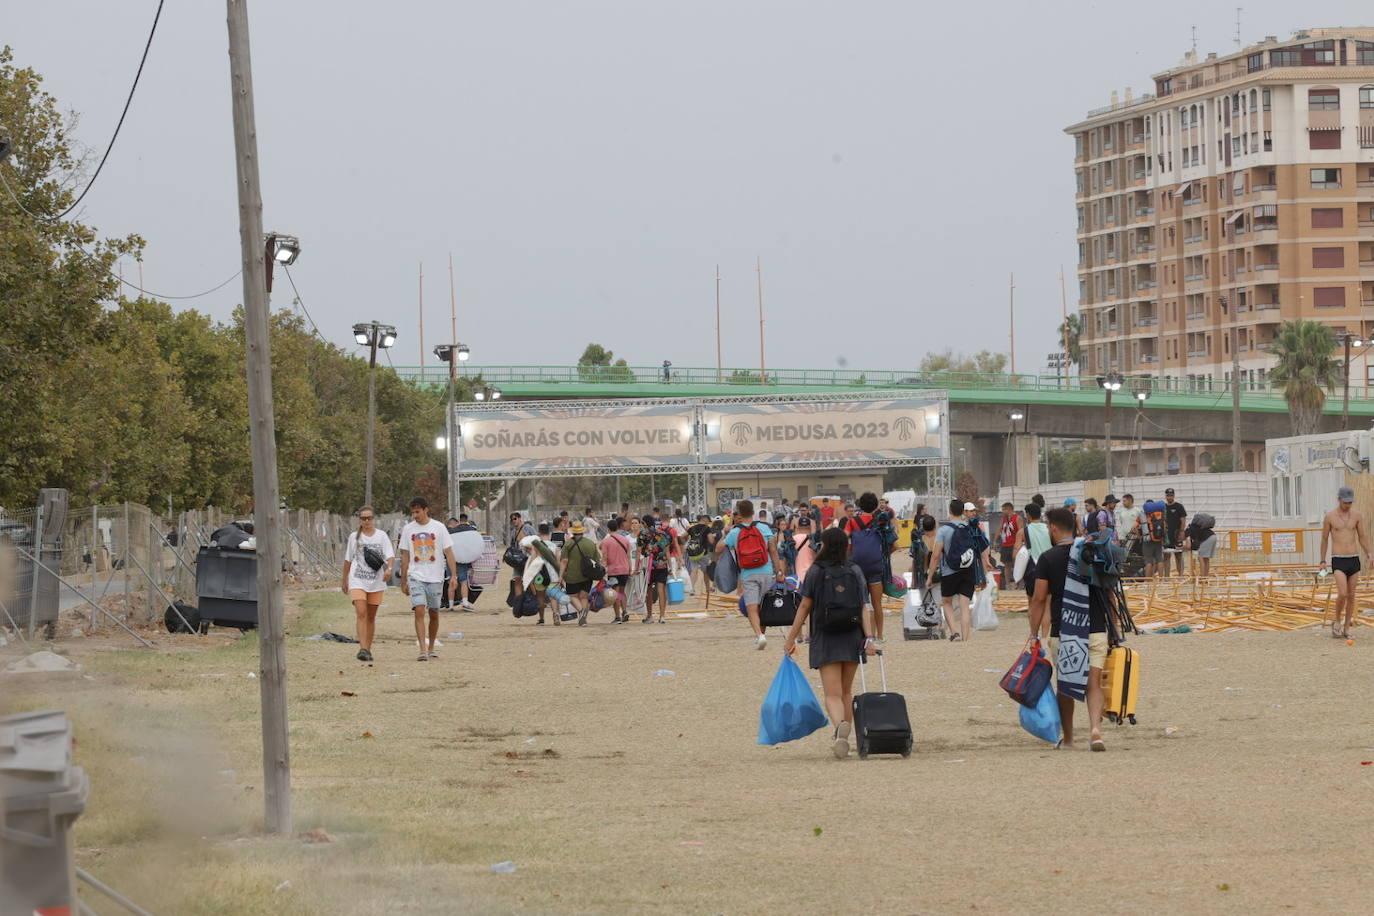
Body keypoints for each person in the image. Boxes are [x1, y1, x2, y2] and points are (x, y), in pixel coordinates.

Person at [782, 527, 878, 759]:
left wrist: (791, 638)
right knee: (846, 692)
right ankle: (845, 732)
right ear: (846, 546)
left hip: (826, 636)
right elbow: (865, 607)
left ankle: (839, 731)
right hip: (853, 635)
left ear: (823, 545)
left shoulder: (816, 571)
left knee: (832, 694)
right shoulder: (855, 570)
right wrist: (870, 639)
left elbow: (804, 607)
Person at [1027, 507, 1109, 751]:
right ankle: (1096, 730)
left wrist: (1033, 634)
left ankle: (1070, 739)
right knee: (1093, 684)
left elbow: (1039, 599)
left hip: (1065, 631)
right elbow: (1109, 593)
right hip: (1095, 627)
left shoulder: (1048, 558)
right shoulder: (1093, 553)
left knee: (1066, 685)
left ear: (1052, 527)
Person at [716, 499, 785, 648]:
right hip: (766, 572)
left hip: (748, 574)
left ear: (739, 514)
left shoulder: (735, 531)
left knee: (752, 608)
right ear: (753, 513)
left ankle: (759, 636)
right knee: (764, 606)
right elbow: (773, 551)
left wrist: (726, 533)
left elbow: (718, 549)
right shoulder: (764, 528)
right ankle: (762, 634)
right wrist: (779, 571)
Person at [399, 497, 458, 662]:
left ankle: (431, 646)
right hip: (415, 575)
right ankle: (422, 649)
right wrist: (403, 580)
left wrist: (453, 576)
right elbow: (405, 555)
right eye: (413, 512)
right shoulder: (408, 529)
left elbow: (449, 552)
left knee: (434, 613)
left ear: (426, 510)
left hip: (435, 576)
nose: (415, 515)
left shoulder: (439, 528)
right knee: (419, 609)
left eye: (418, 512)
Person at [341, 506, 394, 662]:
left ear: (374, 519)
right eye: (363, 518)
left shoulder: (382, 536)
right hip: (358, 580)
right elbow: (348, 560)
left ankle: (368, 650)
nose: (367, 521)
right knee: (361, 612)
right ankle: (362, 648)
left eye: (369, 518)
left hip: (376, 582)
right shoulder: (354, 537)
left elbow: (389, 556)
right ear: (359, 520)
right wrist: (344, 579)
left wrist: (389, 569)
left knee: (371, 617)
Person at [1321, 485, 1373, 640]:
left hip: (1353, 559)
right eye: (1345, 502)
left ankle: (1346, 627)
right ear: (1339, 499)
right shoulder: (1330, 517)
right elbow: (1324, 539)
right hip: (1338, 560)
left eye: (1350, 502)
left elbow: (1362, 537)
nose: (1348, 505)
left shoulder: (1357, 516)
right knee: (1342, 593)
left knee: (1351, 595)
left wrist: (1370, 554)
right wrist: (1322, 560)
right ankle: (1337, 620)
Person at [842, 492, 894, 643]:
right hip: (876, 566)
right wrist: (883, 554)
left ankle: (863, 634)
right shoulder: (881, 522)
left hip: (857, 567)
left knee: (860, 603)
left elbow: (843, 539)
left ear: (859, 505)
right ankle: (880, 636)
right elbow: (895, 544)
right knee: (877, 603)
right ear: (876, 506)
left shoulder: (852, 522)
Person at [926, 498, 978, 643]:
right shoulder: (968, 527)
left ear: (949, 511)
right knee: (964, 605)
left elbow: (936, 555)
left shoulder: (943, 530)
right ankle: (965, 638)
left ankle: (954, 632)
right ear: (963, 511)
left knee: (947, 602)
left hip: (949, 571)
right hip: (968, 569)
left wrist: (930, 576)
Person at [559, 522, 603, 626]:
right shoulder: (590, 543)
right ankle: (583, 620)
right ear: (582, 531)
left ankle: (581, 613)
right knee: (583, 597)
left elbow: (564, 561)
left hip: (571, 575)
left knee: (572, 596)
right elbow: (597, 560)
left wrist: (560, 575)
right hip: (587, 575)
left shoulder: (568, 544)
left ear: (573, 532)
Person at [638, 514, 676, 624]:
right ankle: (662, 616)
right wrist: (670, 567)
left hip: (648, 566)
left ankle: (649, 616)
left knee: (648, 591)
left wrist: (636, 567)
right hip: (662, 565)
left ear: (644, 523)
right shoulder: (663, 533)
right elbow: (667, 551)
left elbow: (640, 551)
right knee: (661, 590)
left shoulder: (643, 534)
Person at [600, 517, 635, 623]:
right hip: (624, 569)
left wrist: (602, 569)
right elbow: (628, 556)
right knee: (622, 592)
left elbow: (604, 558)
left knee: (615, 593)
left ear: (608, 529)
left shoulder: (606, 541)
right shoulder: (625, 539)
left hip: (613, 570)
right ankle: (625, 611)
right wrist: (630, 569)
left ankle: (617, 617)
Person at [447, 513, 479, 611]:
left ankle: (451, 605)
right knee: (464, 582)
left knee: (451, 582)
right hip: (462, 559)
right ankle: (465, 603)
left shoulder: (452, 530)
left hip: (451, 558)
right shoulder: (471, 530)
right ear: (467, 520)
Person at [684, 513, 713, 592]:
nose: (708, 523)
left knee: (694, 570)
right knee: (705, 571)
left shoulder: (692, 528)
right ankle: (707, 588)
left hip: (692, 552)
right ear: (705, 520)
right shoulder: (707, 528)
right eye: (708, 521)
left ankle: (691, 588)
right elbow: (711, 540)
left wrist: (686, 543)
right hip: (703, 553)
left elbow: (683, 536)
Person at [1162, 488, 1188, 577]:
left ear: (1174, 496)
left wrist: (1181, 531)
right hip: (1167, 536)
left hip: (1177, 534)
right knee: (1166, 556)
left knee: (1179, 556)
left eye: (1171, 495)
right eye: (1168, 495)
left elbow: (1183, 519)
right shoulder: (1163, 507)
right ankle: (1166, 576)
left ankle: (1180, 575)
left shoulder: (1179, 506)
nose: (1169, 497)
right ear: (1165, 496)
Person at [1184, 513, 1217, 578]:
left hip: (1207, 538)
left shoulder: (1188, 532)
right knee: (1206, 559)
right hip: (1213, 536)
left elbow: (1189, 546)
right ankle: (1205, 576)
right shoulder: (1195, 527)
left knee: (1201, 557)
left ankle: (1202, 577)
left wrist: (1180, 548)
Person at [997, 502, 1021, 571]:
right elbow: (999, 529)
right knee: (1007, 565)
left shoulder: (1017, 518)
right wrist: (995, 541)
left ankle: (1017, 581)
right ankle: (1007, 582)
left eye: (1003, 510)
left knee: (1016, 564)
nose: (1002, 511)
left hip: (1014, 545)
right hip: (1005, 545)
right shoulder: (1003, 519)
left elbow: (1021, 532)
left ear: (1009, 509)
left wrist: (1019, 545)